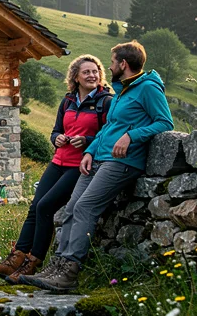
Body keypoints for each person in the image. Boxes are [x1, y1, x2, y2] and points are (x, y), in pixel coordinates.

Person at [22, 41, 174, 292]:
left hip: (123, 161)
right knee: (71, 207)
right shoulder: (122, 91)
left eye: (113, 62)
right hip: (99, 157)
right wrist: (90, 151)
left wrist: (132, 136)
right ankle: (57, 265)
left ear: (123, 64)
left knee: (84, 207)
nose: (110, 66)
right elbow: (107, 128)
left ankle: (69, 272)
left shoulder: (148, 88)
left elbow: (164, 122)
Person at [0, 55, 112, 284]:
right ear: (76, 77)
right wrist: (58, 138)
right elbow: (54, 131)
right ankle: (14, 260)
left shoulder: (105, 102)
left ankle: (32, 264)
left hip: (80, 165)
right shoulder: (67, 101)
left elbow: (108, 134)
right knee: (35, 207)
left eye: (95, 71)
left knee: (46, 206)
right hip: (58, 161)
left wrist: (87, 140)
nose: (92, 75)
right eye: (87, 72)